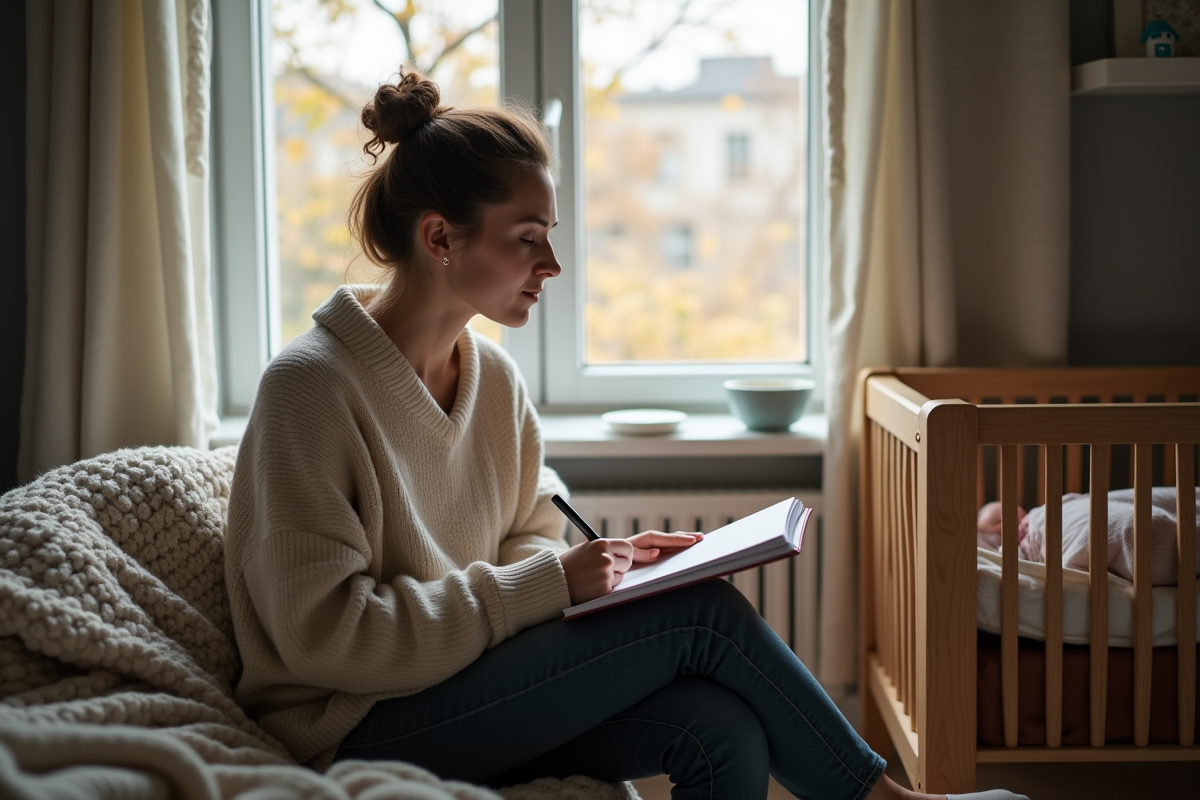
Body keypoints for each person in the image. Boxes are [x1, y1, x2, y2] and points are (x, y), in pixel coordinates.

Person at [224, 68, 1029, 800]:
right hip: (356, 723)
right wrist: (545, 587)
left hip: (468, 681)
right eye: (528, 237)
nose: (552, 264)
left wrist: (599, 572)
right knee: (700, 614)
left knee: (720, 727)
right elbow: (326, 638)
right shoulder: (311, 389)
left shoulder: (493, 379)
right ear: (440, 238)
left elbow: (532, 535)